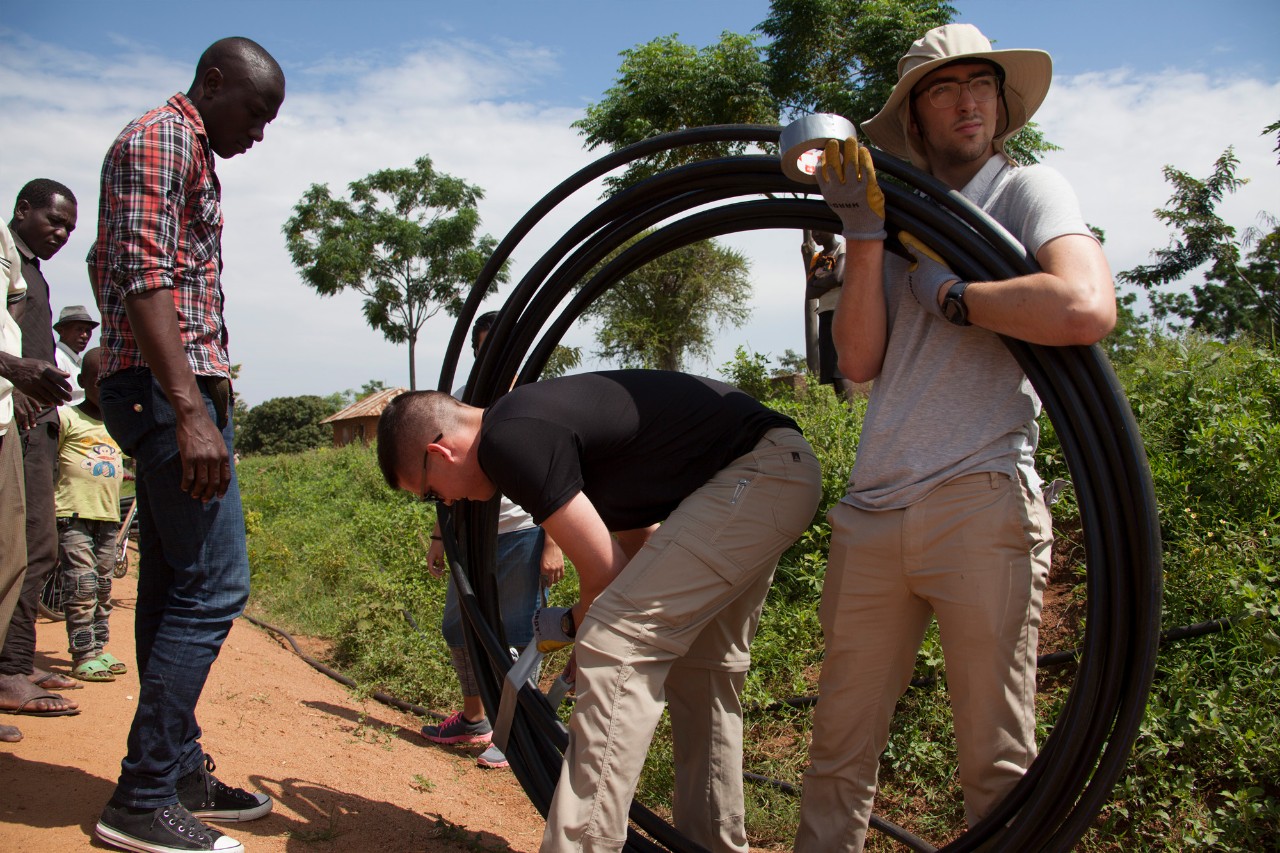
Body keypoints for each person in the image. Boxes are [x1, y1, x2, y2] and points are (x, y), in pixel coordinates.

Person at [794, 24, 1117, 851]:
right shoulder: (899, 221)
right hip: (875, 509)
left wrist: (958, 296)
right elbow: (860, 360)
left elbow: (1083, 306)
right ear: (916, 115)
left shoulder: (1026, 190)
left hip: (980, 496)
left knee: (997, 762)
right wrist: (864, 234)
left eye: (981, 82)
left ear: (1002, 102)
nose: (968, 99)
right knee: (836, 750)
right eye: (944, 87)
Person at [377, 369, 823, 853]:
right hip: (769, 474)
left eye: (429, 493)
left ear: (438, 454)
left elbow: (605, 583)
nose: (445, 503)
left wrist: (589, 630)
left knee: (616, 642)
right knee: (700, 669)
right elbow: (638, 550)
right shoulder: (541, 426)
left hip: (754, 475)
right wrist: (588, 624)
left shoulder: (508, 439)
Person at [88, 36, 285, 853]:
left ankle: (176, 771)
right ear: (212, 82)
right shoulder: (162, 137)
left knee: (174, 585)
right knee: (214, 586)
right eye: (255, 111)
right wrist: (188, 407)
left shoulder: (189, 151)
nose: (260, 133)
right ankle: (141, 796)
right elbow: (140, 274)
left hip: (180, 389)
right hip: (170, 395)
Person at [420, 310, 565, 770]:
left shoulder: (538, 399)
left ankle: (516, 728)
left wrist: (554, 542)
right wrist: (440, 535)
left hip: (524, 533)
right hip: (471, 536)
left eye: (502, 348)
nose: (494, 358)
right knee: (458, 628)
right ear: (478, 353)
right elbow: (442, 472)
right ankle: (475, 716)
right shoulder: (461, 401)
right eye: (485, 349)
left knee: (524, 634)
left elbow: (559, 478)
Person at [0, 178, 83, 724]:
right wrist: (19, 381)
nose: (60, 234)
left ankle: (18, 660)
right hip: (17, 417)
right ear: (22, 209)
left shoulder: (34, 274)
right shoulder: (8, 262)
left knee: (37, 548)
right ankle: (8, 671)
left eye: (69, 229)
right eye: (53, 222)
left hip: (34, 421)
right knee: (20, 548)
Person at [55, 348, 127, 683]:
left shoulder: (118, 424)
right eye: (97, 381)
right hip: (73, 514)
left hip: (108, 518)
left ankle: (99, 648)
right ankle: (82, 654)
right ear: (83, 382)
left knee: (102, 586)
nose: (103, 387)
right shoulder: (66, 418)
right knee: (81, 585)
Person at [802, 230, 856, 403]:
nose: (815, 234)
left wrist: (820, 282)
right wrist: (828, 280)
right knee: (829, 369)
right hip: (825, 312)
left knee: (838, 366)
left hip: (841, 310)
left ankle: (850, 413)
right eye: (812, 231)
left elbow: (839, 276)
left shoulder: (843, 248)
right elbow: (809, 292)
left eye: (819, 229)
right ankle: (843, 412)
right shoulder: (817, 258)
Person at [54, 304, 99, 405]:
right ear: (61, 331)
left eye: (88, 330)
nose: (84, 335)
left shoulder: (77, 361)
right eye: (79, 329)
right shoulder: (57, 357)